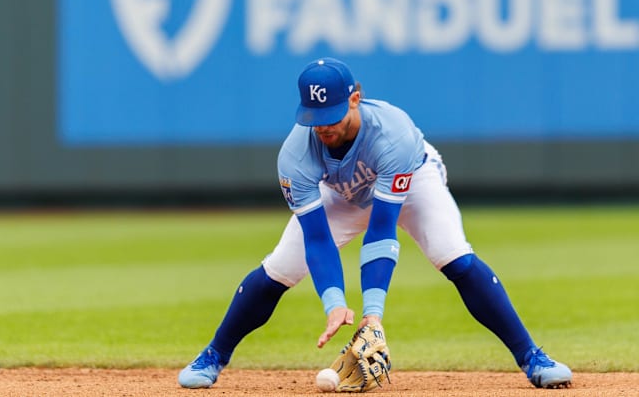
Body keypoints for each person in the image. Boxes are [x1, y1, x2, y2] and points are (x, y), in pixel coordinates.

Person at [178, 57, 572, 390]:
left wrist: (373, 314)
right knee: (279, 268)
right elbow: (317, 239)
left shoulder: (393, 134)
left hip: (412, 180)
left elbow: (382, 227)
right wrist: (334, 303)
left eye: (331, 115)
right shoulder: (295, 156)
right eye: (314, 118)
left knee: (453, 255)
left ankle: (532, 357)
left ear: (355, 98)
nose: (323, 127)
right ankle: (213, 355)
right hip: (342, 193)